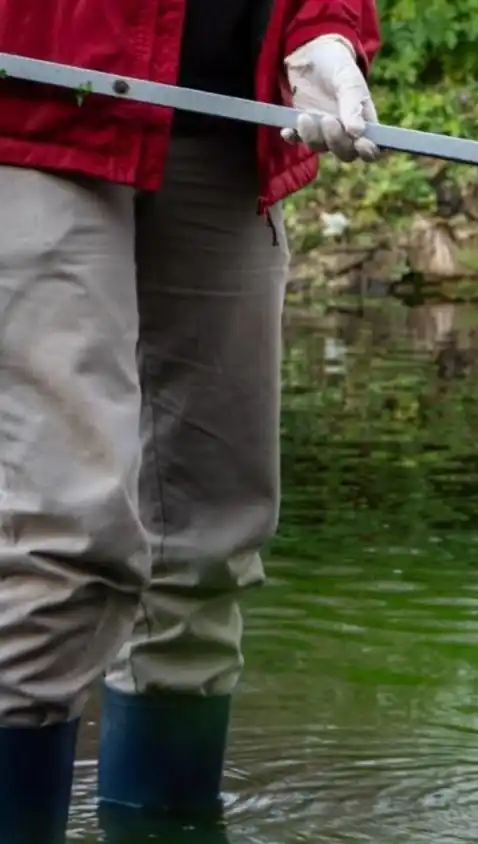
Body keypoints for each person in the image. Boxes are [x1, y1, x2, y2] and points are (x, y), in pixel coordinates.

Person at [0, 1, 381, 841]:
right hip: (32, 102)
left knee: (208, 541)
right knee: (60, 541)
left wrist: (322, 30)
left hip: (224, 120)